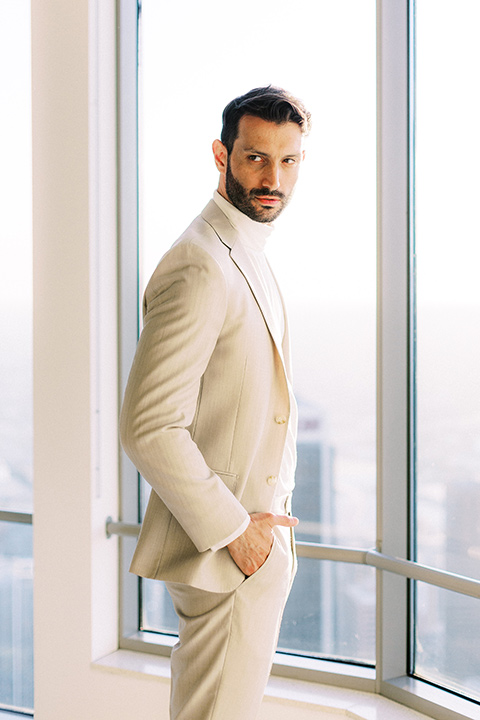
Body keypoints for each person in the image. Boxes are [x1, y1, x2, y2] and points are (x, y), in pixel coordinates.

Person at [120, 85, 311, 720]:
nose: (272, 178)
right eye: (256, 157)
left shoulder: (245, 252)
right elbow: (149, 428)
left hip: (248, 554)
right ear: (221, 154)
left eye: (287, 162)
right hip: (226, 552)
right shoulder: (200, 264)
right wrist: (238, 534)